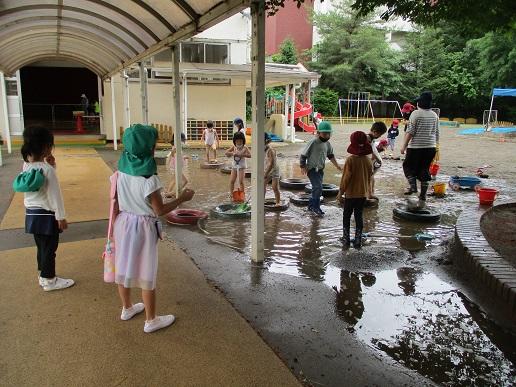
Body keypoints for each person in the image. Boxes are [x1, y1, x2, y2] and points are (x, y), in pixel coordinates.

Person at [114, 124, 194, 333]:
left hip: (122, 223)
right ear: (149, 149)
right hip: (142, 226)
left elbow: (115, 199)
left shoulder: (121, 171)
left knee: (124, 266)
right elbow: (159, 210)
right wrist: (182, 198)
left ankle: (127, 308)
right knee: (146, 270)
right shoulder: (149, 178)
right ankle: (151, 320)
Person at [19, 126, 74, 291]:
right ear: (45, 147)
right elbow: (54, 195)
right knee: (50, 249)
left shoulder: (26, 166)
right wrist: (61, 216)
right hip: (47, 216)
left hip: (32, 214)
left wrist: (52, 165)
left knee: (41, 247)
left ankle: (43, 275)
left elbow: (41, 183)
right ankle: (50, 280)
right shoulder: (47, 170)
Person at [400, 91, 439, 208]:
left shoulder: (415, 114)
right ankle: (422, 196)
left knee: (408, 166)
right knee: (424, 170)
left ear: (420, 103)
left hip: (416, 147)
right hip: (430, 148)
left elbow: (410, 132)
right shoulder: (434, 115)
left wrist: (403, 146)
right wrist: (436, 146)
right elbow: (437, 133)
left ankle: (412, 187)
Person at [336, 131, 372, 248]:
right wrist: (368, 193)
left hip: (351, 194)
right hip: (362, 194)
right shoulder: (368, 161)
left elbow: (346, 178)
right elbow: (369, 178)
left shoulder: (350, 160)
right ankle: (358, 240)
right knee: (359, 215)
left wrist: (340, 193)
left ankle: (346, 239)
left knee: (346, 216)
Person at [300, 121, 342, 217]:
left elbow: (330, 156)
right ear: (318, 133)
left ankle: (311, 205)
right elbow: (303, 155)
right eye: (324, 133)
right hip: (312, 169)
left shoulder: (327, 144)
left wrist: (337, 165)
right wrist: (302, 166)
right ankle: (316, 207)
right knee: (318, 188)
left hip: (320, 170)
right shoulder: (313, 142)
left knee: (316, 188)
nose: (327, 136)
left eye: (328, 134)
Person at [225, 131, 251, 201]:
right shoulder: (234, 147)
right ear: (234, 141)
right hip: (234, 166)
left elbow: (250, 155)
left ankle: (242, 195)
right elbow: (226, 153)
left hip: (241, 166)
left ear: (243, 140)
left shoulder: (245, 147)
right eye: (237, 141)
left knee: (241, 181)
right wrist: (232, 153)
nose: (239, 142)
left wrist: (242, 155)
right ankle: (231, 194)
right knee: (232, 181)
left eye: (240, 140)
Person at [366, 122, 387, 201]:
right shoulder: (368, 138)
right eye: (380, 134)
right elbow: (370, 151)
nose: (380, 136)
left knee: (371, 177)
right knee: (369, 177)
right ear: (374, 132)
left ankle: (371, 192)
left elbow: (374, 150)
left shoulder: (372, 139)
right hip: (366, 161)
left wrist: (378, 160)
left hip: (369, 161)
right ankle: (369, 194)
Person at [165, 132, 188, 198]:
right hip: (176, 167)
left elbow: (176, 156)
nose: (183, 142)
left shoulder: (177, 146)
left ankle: (168, 193)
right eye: (183, 140)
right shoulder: (175, 147)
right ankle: (172, 193)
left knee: (174, 180)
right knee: (185, 181)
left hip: (176, 167)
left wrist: (184, 157)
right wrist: (173, 152)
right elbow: (173, 155)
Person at [264, 132, 281, 206]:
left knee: (274, 187)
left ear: (266, 140)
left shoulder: (270, 150)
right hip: (267, 169)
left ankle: (278, 202)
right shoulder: (261, 149)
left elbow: (271, 163)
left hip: (274, 170)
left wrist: (266, 173)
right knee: (262, 186)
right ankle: (262, 200)